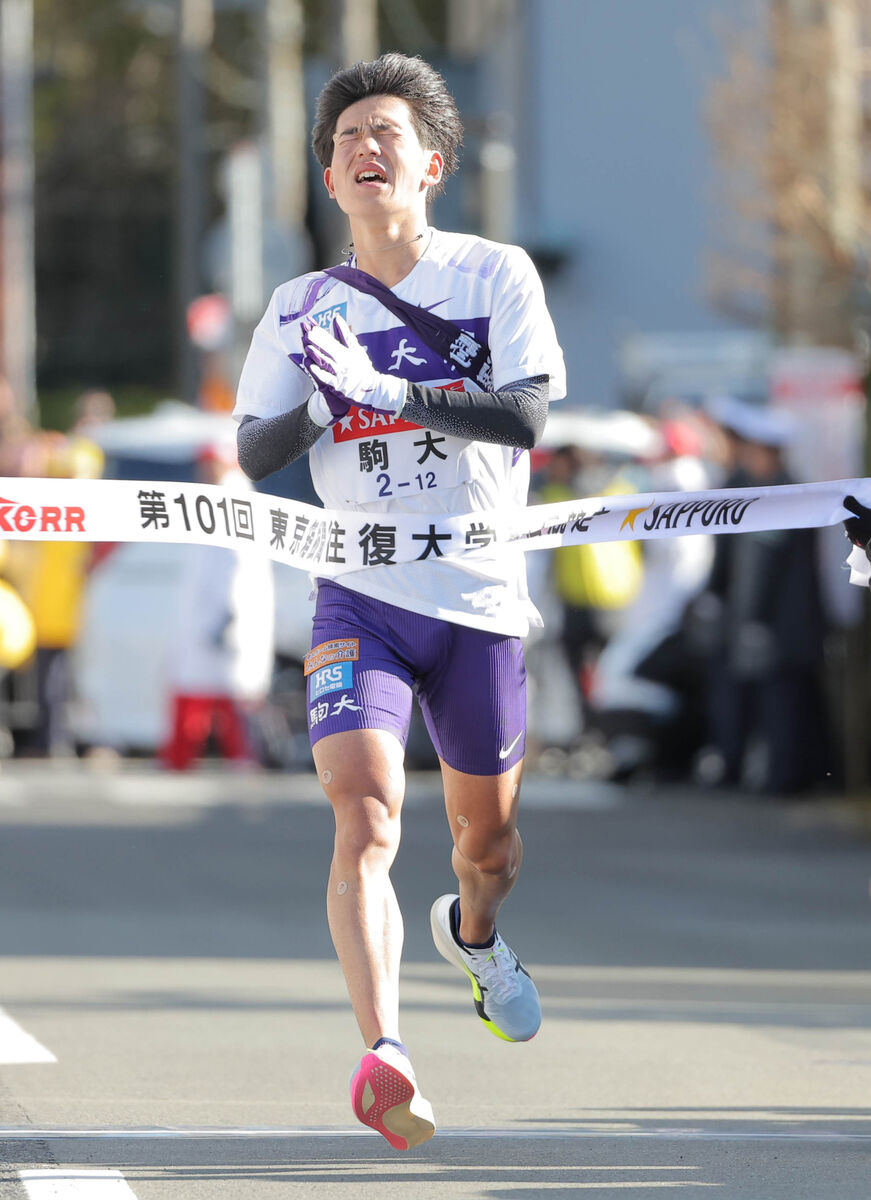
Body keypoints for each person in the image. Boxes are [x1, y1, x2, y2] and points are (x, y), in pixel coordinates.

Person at [233, 52, 566, 1150]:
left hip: (474, 596)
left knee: (491, 847)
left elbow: (522, 417)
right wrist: (321, 418)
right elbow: (251, 452)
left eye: (386, 134)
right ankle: (385, 1052)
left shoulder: (493, 276)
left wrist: (396, 392)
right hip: (359, 592)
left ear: (431, 164)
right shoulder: (298, 306)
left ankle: (473, 938)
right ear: (330, 183)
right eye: (345, 142)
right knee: (365, 812)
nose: (364, 151)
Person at [159, 443, 275, 771]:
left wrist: (227, 615)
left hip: (222, 617)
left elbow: (236, 567)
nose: (204, 470)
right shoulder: (218, 497)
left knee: (222, 694)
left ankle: (234, 757)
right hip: (210, 616)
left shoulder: (232, 499)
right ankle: (189, 758)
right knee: (209, 690)